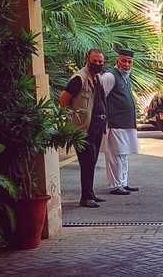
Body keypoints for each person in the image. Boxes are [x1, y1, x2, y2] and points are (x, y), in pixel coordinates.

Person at [59, 49, 108, 208]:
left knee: (92, 161)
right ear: (87, 60)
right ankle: (85, 197)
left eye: (100, 62)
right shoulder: (79, 78)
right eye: (95, 61)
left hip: (97, 127)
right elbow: (64, 100)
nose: (98, 64)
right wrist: (71, 120)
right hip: (83, 129)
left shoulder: (97, 78)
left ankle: (90, 193)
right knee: (86, 162)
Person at [101, 49, 139, 196]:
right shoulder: (110, 76)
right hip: (114, 123)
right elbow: (100, 98)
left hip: (126, 124)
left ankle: (123, 183)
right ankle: (115, 185)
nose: (126, 64)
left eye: (129, 62)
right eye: (124, 61)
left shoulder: (125, 77)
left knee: (123, 155)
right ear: (117, 61)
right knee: (114, 155)